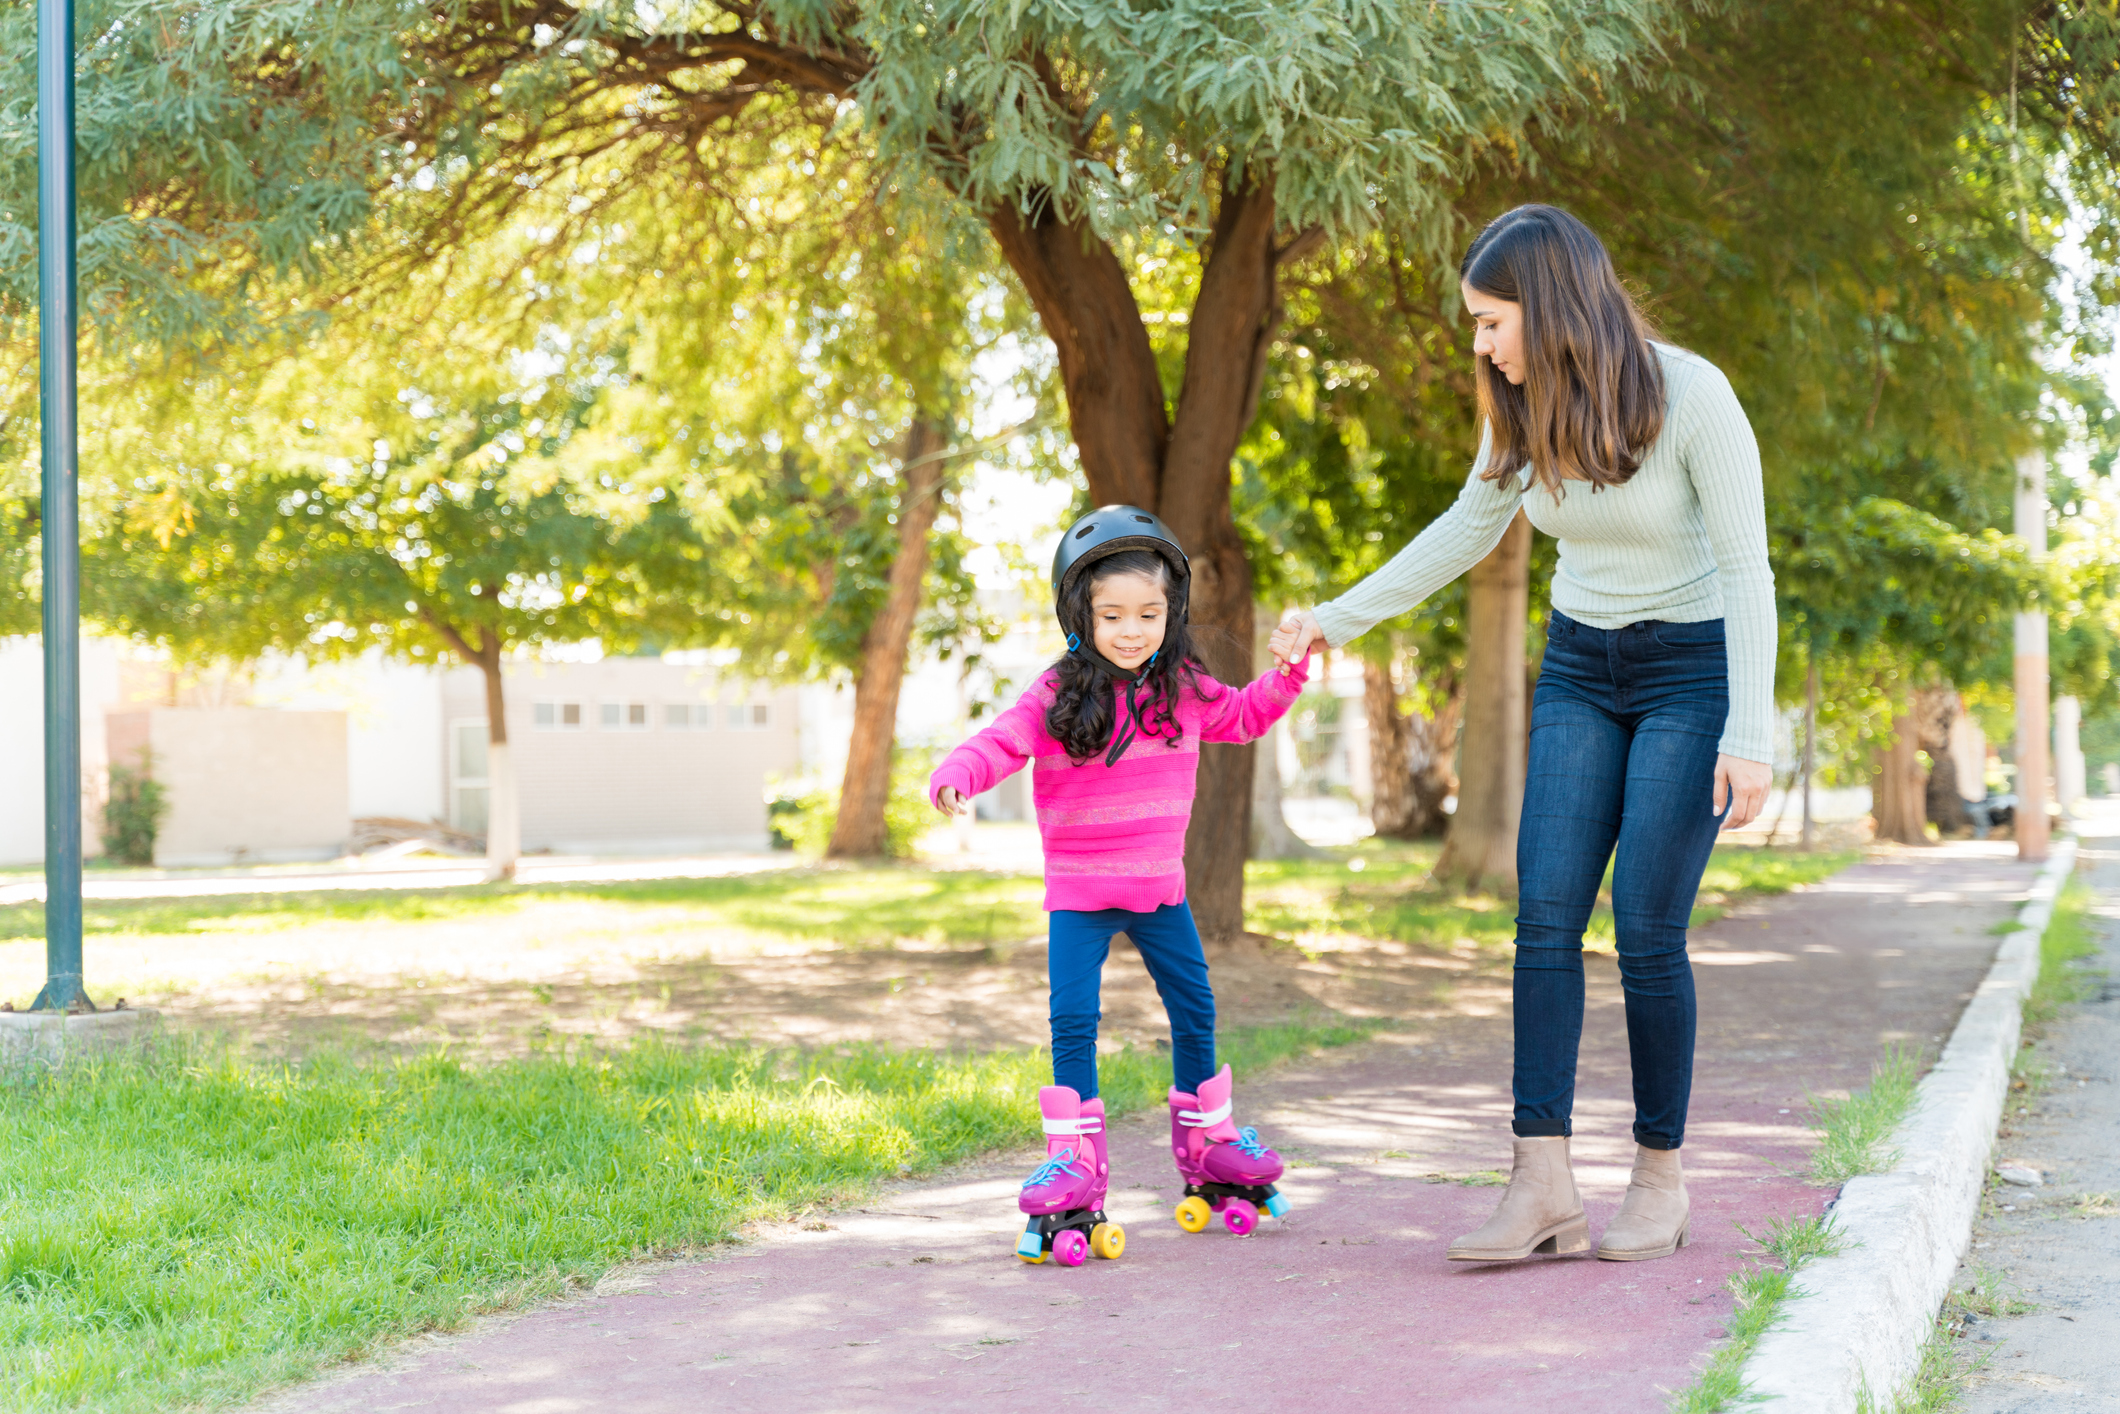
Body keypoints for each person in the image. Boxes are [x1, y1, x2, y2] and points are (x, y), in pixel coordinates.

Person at [1272, 204, 1776, 1264]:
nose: (1480, 343)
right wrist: (1329, 619)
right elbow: (1465, 527)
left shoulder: (1691, 395)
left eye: (1490, 320)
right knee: (1543, 914)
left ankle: (1658, 1175)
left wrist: (1750, 731)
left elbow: (1744, 570)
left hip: (1691, 673)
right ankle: (1539, 1178)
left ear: (1546, 309)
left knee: (1642, 924)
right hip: (1583, 666)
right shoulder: (1519, 408)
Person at [932, 505, 1310, 1265]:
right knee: (1074, 1022)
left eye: (1148, 614)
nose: (1131, 630)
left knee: (1195, 1006)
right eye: (1112, 616)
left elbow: (1243, 717)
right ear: (1082, 616)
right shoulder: (1057, 693)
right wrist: (959, 773)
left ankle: (1209, 1148)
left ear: (1170, 614)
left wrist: (1290, 673)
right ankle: (1075, 1163)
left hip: (1161, 891)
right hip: (1078, 893)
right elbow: (1002, 739)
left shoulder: (1185, 686)